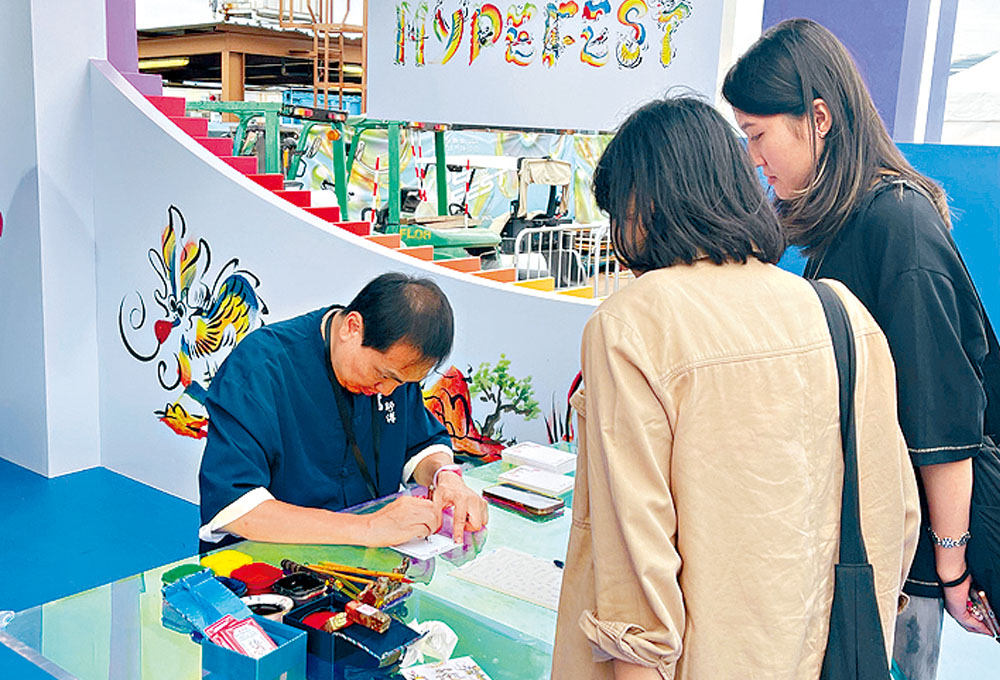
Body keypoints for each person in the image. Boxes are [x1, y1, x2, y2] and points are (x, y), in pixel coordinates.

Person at [551, 96, 920, 679]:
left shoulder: (634, 323)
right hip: (826, 656)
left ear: (641, 206)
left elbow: (634, 569)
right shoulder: (839, 312)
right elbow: (894, 514)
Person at [722, 18, 995, 678]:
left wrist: (952, 569)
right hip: (878, 536)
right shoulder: (848, 224)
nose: (754, 158)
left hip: (918, 554)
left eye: (758, 136)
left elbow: (944, 426)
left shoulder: (896, 224)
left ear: (818, 117)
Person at [198, 272, 487, 551]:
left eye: (401, 383)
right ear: (352, 327)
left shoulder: (395, 376)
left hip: (367, 569)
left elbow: (421, 443)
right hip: (268, 572)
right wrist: (368, 528)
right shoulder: (259, 368)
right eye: (382, 375)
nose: (387, 391)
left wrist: (445, 476)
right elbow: (235, 507)